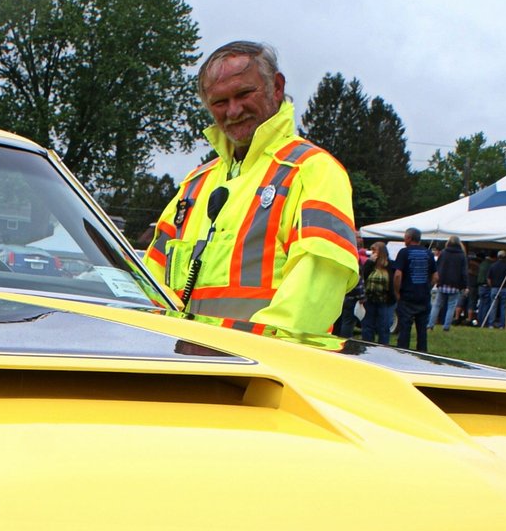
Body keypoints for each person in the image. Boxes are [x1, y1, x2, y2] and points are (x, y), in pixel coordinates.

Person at [142, 41, 357, 336]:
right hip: (184, 366)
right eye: (219, 102)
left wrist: (256, 362)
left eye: (244, 94)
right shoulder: (194, 184)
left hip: (262, 372)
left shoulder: (312, 170)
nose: (233, 110)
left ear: (277, 87)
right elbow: (147, 284)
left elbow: (315, 291)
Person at [390, 227, 435, 348]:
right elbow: (436, 276)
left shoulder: (404, 252)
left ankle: (403, 352)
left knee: (405, 327)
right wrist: (428, 287)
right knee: (422, 330)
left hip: (407, 296)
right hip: (423, 296)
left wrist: (397, 292)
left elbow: (398, 275)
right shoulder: (428, 253)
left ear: (409, 238)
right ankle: (422, 353)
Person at [354, 240, 395, 341]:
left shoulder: (390, 265)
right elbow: (363, 276)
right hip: (370, 300)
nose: (372, 253)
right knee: (367, 327)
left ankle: (383, 347)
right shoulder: (370, 264)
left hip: (385, 300)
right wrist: (370, 262)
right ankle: (367, 346)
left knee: (384, 327)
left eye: (374, 250)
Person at [432, 236, 468, 331]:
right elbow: (463, 272)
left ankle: (430, 325)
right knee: (451, 306)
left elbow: (438, 266)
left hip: (443, 282)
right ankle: (446, 327)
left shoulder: (444, 253)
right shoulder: (461, 255)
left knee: (437, 305)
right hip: (455, 284)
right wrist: (464, 285)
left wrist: (437, 280)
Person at [477, 250, 506, 327]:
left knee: (493, 306)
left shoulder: (492, 265)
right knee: (503, 307)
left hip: (494, 288)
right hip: (504, 288)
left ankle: (491, 324)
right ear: (505, 257)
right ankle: (502, 325)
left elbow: (489, 278)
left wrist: (491, 286)